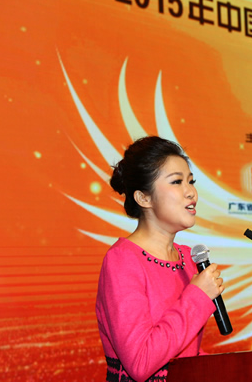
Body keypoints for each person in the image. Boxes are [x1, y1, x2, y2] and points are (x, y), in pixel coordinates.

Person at [95, 136, 225, 382]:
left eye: (191, 181)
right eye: (177, 181)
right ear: (144, 198)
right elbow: (141, 362)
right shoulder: (122, 260)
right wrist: (198, 296)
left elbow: (183, 353)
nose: (191, 192)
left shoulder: (187, 258)